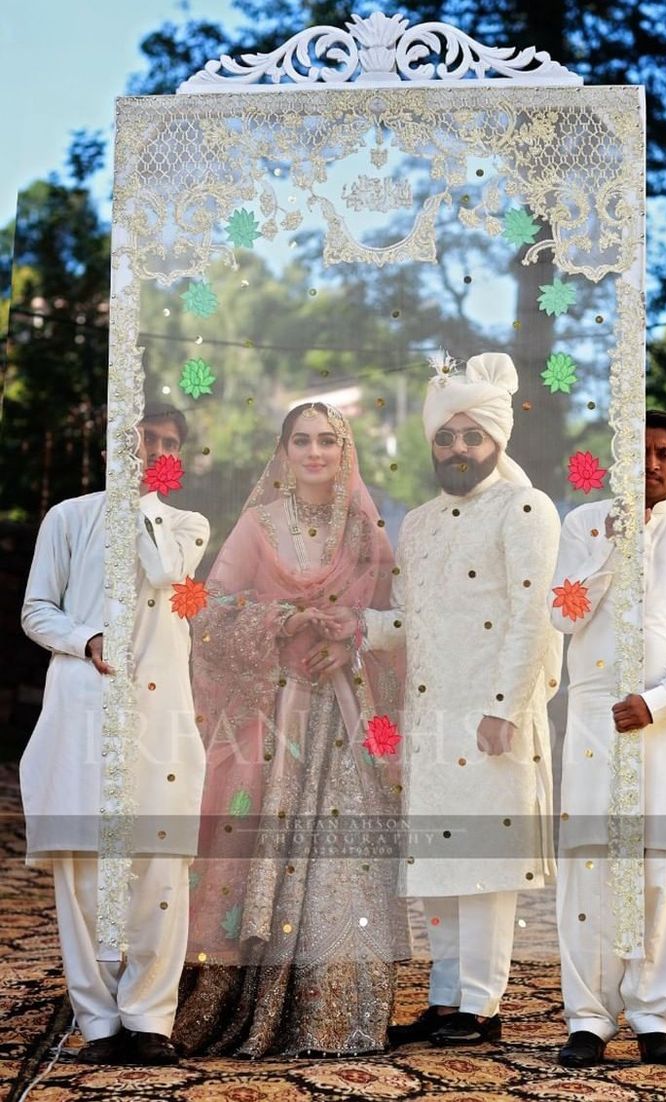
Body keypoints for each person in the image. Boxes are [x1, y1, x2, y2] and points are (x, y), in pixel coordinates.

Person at [325, 353, 562, 1047]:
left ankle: (480, 1007)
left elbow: (532, 616)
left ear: (496, 440)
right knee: (442, 862)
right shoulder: (422, 522)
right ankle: (446, 996)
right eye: (445, 437)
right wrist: (358, 628)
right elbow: (413, 619)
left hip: (491, 713)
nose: (458, 449)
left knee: (485, 866)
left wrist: (504, 708)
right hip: (431, 715)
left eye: (472, 436)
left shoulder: (526, 508)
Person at [172, 401, 403, 1058]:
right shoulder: (257, 525)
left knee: (342, 861)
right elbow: (210, 614)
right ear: (284, 451)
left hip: (344, 713)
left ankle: (337, 1012)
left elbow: (396, 622)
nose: (314, 453)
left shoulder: (366, 532)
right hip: (269, 717)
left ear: (344, 451)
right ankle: (241, 1000)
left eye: (327, 441)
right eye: (301, 440)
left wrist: (351, 640)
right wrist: (281, 626)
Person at [20, 403, 210, 1066]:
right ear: (113, 445)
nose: (152, 449)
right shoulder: (68, 517)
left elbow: (165, 575)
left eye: (166, 443)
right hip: (83, 708)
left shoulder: (185, 524)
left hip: (161, 716)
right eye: (142, 439)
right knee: (84, 870)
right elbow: (36, 610)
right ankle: (99, 1023)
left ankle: (150, 1018)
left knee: (159, 867)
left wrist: (142, 502)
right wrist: (85, 638)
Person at [552, 409, 666, 1067]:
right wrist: (611, 547)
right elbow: (560, 611)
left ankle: (659, 1019)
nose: (650, 465)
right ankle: (588, 1020)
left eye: (663, 453)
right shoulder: (582, 524)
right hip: (599, 728)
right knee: (591, 870)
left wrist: (656, 702)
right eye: (639, 453)